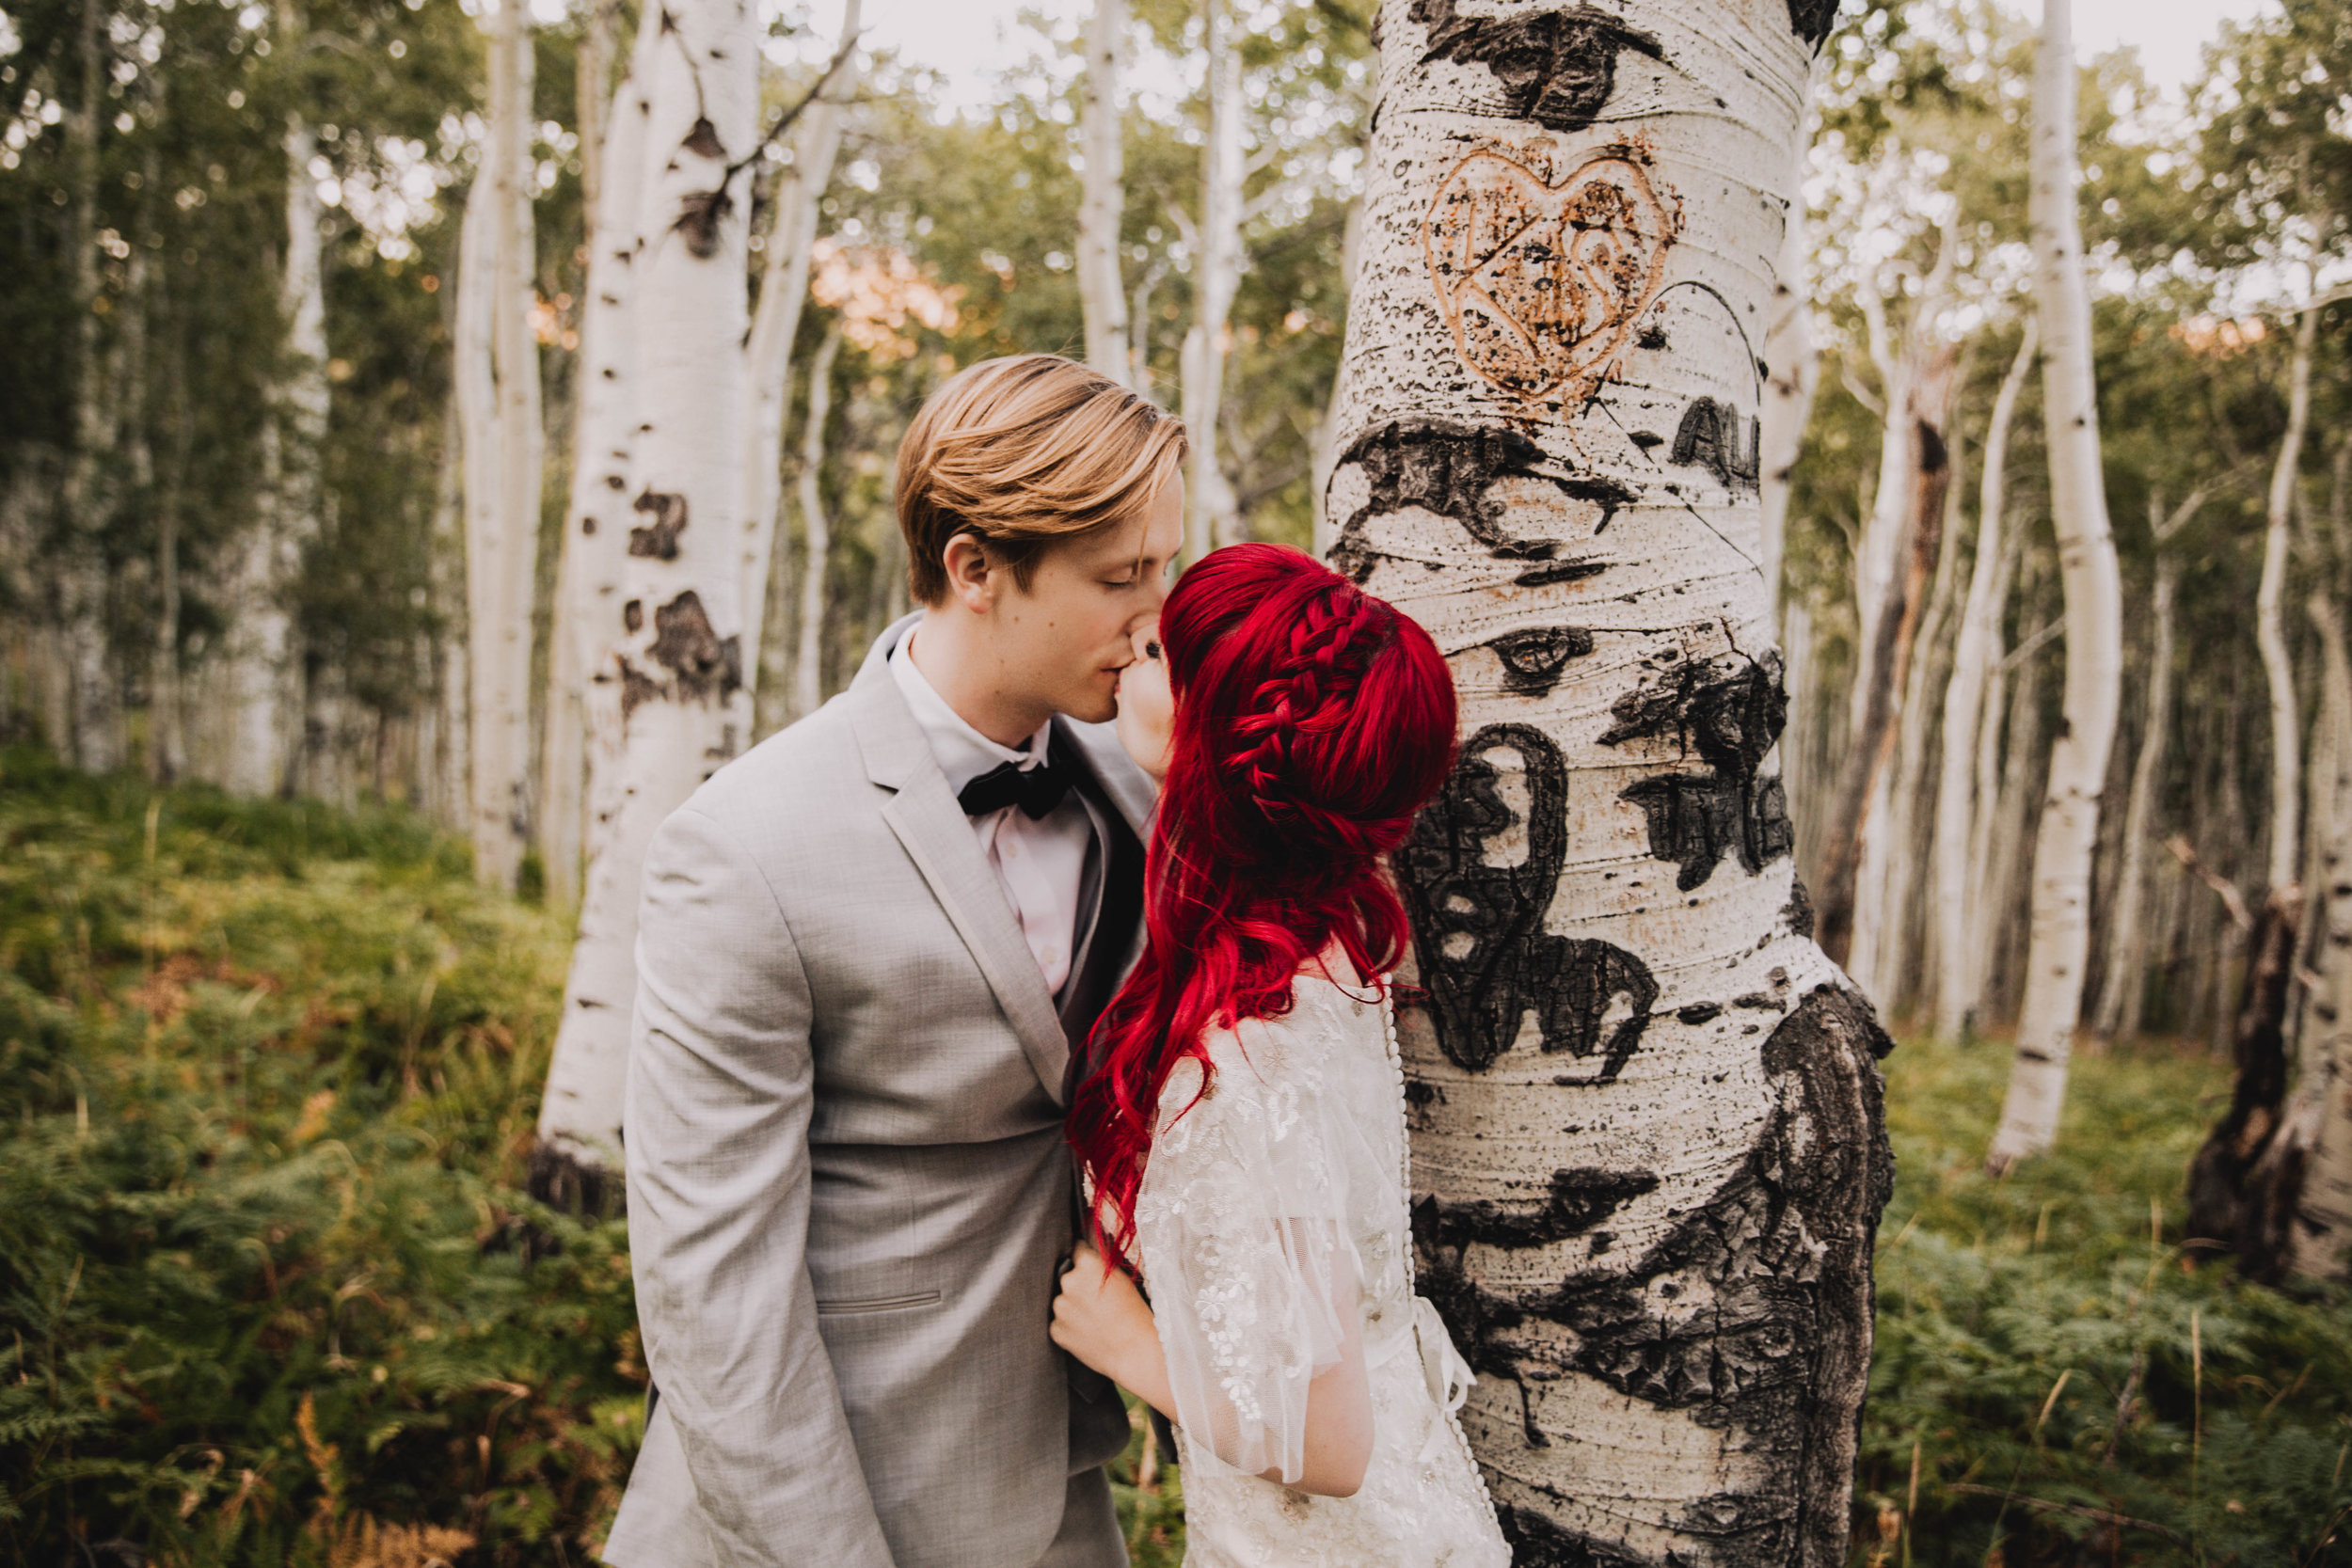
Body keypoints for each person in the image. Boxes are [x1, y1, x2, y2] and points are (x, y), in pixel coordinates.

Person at [603, 355, 1185, 1568]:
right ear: (974, 568)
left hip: (1056, 1486)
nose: (1155, 615)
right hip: (817, 1505)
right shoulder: (743, 846)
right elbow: (716, 1296)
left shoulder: (1144, 776)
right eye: (1120, 577)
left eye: (1166, 567)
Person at [1053, 544, 1511, 1567]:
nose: (1135, 642)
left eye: (1165, 648)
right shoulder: (1325, 950)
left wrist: (1129, 1341)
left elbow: (1327, 1440)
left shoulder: (1245, 1051)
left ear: (1204, 730)